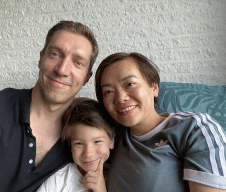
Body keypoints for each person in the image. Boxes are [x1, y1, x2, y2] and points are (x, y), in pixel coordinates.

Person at [0, 20, 99, 192]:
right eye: (55, 54)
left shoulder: (82, 141)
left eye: (78, 63)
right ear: (41, 58)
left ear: (87, 78)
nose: (62, 70)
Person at [95, 52, 226, 192]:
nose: (120, 98)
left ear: (154, 87)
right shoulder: (111, 135)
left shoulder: (194, 128)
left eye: (130, 84)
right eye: (108, 91)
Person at [36, 98, 115, 192]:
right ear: (70, 145)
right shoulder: (58, 179)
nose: (88, 153)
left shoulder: (118, 177)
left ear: (111, 141)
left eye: (97, 141)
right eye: (79, 143)